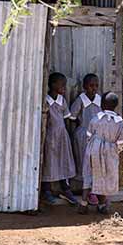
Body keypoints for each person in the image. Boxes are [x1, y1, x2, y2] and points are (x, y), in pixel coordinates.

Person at [81, 92, 123, 214]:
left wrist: (94, 146)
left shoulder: (95, 119)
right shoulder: (119, 123)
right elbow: (121, 143)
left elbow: (88, 136)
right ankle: (102, 205)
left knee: (89, 174)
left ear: (101, 105)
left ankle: (83, 204)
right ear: (116, 106)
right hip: (110, 152)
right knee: (104, 176)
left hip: (93, 150)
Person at [42, 72, 77, 205]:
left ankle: (65, 188)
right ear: (52, 85)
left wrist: (68, 135)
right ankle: (47, 190)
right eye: (62, 84)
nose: (64, 87)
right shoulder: (46, 101)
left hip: (62, 136)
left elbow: (66, 119)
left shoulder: (62, 100)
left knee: (64, 161)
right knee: (49, 162)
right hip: (50, 136)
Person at [69, 73, 102, 206]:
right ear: (84, 87)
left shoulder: (99, 99)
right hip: (83, 135)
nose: (94, 88)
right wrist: (73, 134)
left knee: (95, 163)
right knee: (83, 162)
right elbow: (72, 117)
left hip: (97, 136)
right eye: (91, 85)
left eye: (96, 86)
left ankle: (93, 190)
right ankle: (84, 190)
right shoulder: (81, 100)